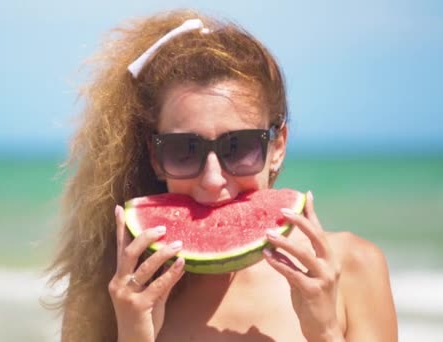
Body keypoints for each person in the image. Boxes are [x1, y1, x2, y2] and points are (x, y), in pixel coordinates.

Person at [48, 9, 398, 342]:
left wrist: (325, 332)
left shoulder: (355, 267)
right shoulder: (113, 286)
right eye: (184, 150)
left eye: (239, 146)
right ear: (155, 157)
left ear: (277, 147)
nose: (213, 180)